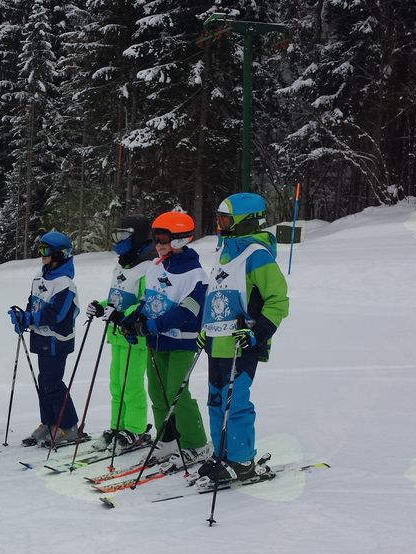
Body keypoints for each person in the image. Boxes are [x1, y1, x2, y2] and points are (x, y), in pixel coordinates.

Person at [197, 192, 289, 482]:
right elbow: (215, 298)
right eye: (219, 219)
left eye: (226, 220)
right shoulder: (223, 254)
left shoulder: (257, 255)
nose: (220, 225)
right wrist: (204, 331)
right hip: (217, 344)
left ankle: (242, 460)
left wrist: (257, 333)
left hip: (241, 344)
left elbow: (278, 301)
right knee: (215, 401)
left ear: (245, 221)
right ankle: (221, 454)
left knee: (234, 403)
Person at [118, 211, 211, 468]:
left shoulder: (195, 274)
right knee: (157, 393)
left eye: (163, 240)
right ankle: (167, 439)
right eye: (155, 239)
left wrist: (153, 325)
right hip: (157, 341)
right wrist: (132, 320)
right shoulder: (155, 267)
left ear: (179, 239)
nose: (158, 245)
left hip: (183, 341)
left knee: (176, 392)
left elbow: (187, 311)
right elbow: (147, 301)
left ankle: (196, 444)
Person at [85, 216, 156, 453]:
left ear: (137, 237)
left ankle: (136, 428)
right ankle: (117, 426)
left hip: (134, 336)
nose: (117, 240)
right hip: (116, 334)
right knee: (116, 384)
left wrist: (121, 315)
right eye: (115, 234)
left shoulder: (148, 267)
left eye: (123, 235)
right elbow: (116, 298)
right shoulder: (122, 265)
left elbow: (145, 303)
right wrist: (101, 306)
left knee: (131, 384)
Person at [9, 231, 81, 447]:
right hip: (41, 337)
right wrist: (23, 318)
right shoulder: (39, 277)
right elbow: (33, 303)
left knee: (53, 382)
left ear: (59, 254)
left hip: (57, 340)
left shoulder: (65, 284)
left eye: (45, 250)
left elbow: (57, 315)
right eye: (40, 250)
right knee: (44, 382)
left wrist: (30, 318)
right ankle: (49, 422)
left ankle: (69, 426)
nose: (41, 255)